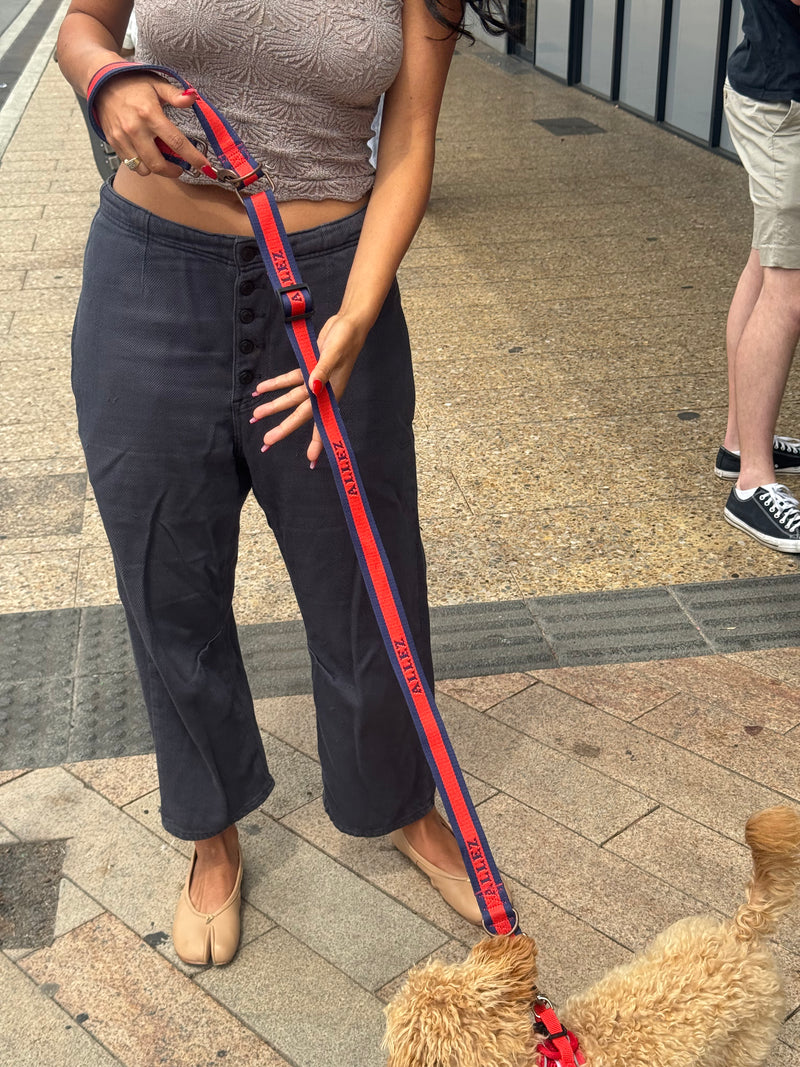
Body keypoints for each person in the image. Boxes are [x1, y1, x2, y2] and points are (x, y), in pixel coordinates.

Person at [56, 0, 506, 966]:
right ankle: (211, 830)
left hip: (333, 279)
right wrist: (106, 77)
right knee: (167, 577)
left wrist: (360, 310)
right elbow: (80, 24)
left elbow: (410, 142)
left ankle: (401, 801)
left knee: (367, 577)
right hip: (149, 275)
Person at [717, 0, 800, 553]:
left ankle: (739, 445)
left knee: (766, 264)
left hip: (776, 97)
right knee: (790, 294)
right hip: (781, 110)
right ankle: (752, 485)